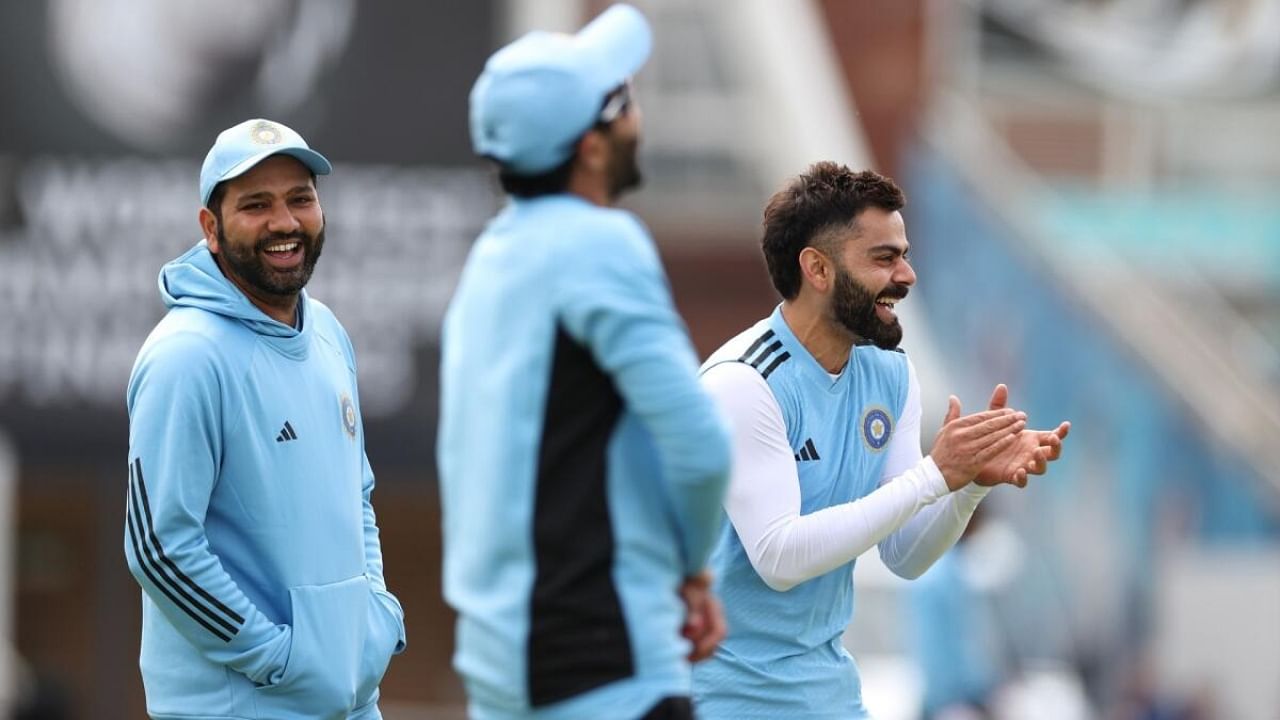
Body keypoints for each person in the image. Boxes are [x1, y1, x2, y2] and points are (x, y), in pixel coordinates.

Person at [691, 162, 1070, 719]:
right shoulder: (744, 383)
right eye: (884, 258)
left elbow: (905, 556)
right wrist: (935, 474)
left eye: (905, 254)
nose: (907, 275)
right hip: (722, 701)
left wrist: (965, 486)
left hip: (831, 698)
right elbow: (778, 555)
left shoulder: (889, 374)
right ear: (817, 269)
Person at [438, 5, 732, 719]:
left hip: (499, 667)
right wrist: (692, 570)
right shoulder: (602, 246)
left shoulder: (489, 258)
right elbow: (701, 453)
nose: (637, 115)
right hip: (606, 664)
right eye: (623, 102)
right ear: (591, 148)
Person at [124, 118, 405, 720]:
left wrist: (375, 618)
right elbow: (158, 548)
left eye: (300, 198)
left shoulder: (327, 331)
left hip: (351, 704)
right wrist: (274, 658)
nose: (284, 222)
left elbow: (355, 494)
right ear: (212, 228)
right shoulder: (187, 356)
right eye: (256, 204)